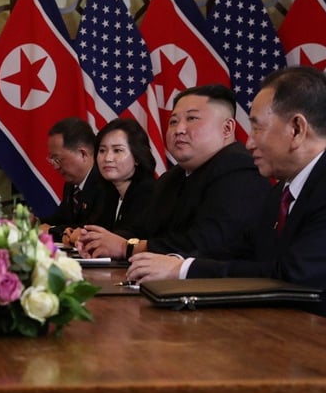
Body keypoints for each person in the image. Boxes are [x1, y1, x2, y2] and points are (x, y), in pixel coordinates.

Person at [127, 66, 326, 340]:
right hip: (299, 336)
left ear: (297, 129)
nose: (248, 143)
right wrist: (174, 262)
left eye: (257, 128)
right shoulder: (285, 188)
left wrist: (183, 270)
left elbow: (293, 276)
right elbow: (244, 249)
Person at [78, 84, 270, 261]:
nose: (179, 129)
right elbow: (143, 229)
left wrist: (126, 248)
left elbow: (205, 245)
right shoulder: (172, 177)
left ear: (227, 128)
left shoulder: (240, 170)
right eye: (173, 121)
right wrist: (99, 241)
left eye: (192, 118)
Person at [38, 117, 107, 245]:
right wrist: (34, 223)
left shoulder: (105, 183)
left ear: (83, 154)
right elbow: (59, 219)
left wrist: (50, 231)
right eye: (51, 160)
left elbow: (88, 229)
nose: (55, 166)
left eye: (58, 159)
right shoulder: (71, 186)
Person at [86, 118, 156, 236]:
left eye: (117, 150)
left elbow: (130, 237)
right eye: (102, 150)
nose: (107, 158)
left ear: (137, 157)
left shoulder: (149, 193)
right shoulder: (109, 192)